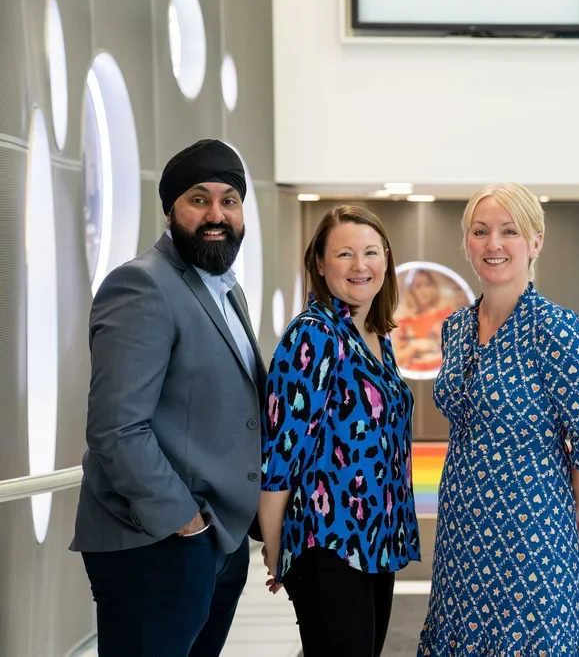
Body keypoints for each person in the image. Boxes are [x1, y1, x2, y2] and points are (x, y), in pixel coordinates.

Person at [71, 138, 266, 656]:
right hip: (156, 541)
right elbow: (116, 427)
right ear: (169, 209)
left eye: (230, 200)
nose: (216, 214)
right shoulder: (142, 285)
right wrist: (185, 523)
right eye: (198, 199)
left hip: (214, 538)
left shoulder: (226, 289)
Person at [417, 183, 579, 655]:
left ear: (535, 241)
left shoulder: (558, 330)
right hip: (460, 539)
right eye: (480, 231)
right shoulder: (457, 327)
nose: (493, 244)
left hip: (532, 548)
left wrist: (553, 517)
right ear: (467, 243)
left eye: (509, 231)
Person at [258, 205, 420, 657]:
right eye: (344, 254)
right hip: (329, 543)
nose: (359, 265)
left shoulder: (375, 336)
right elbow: (280, 456)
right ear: (320, 264)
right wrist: (276, 554)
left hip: (374, 543)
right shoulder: (313, 335)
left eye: (370, 252)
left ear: (386, 259)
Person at [394, 268, 452, 373]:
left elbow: (456, 353)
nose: (423, 291)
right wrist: (413, 347)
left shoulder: (447, 315)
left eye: (427, 285)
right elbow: (395, 359)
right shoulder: (404, 322)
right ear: (411, 291)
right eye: (418, 286)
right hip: (412, 376)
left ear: (434, 287)